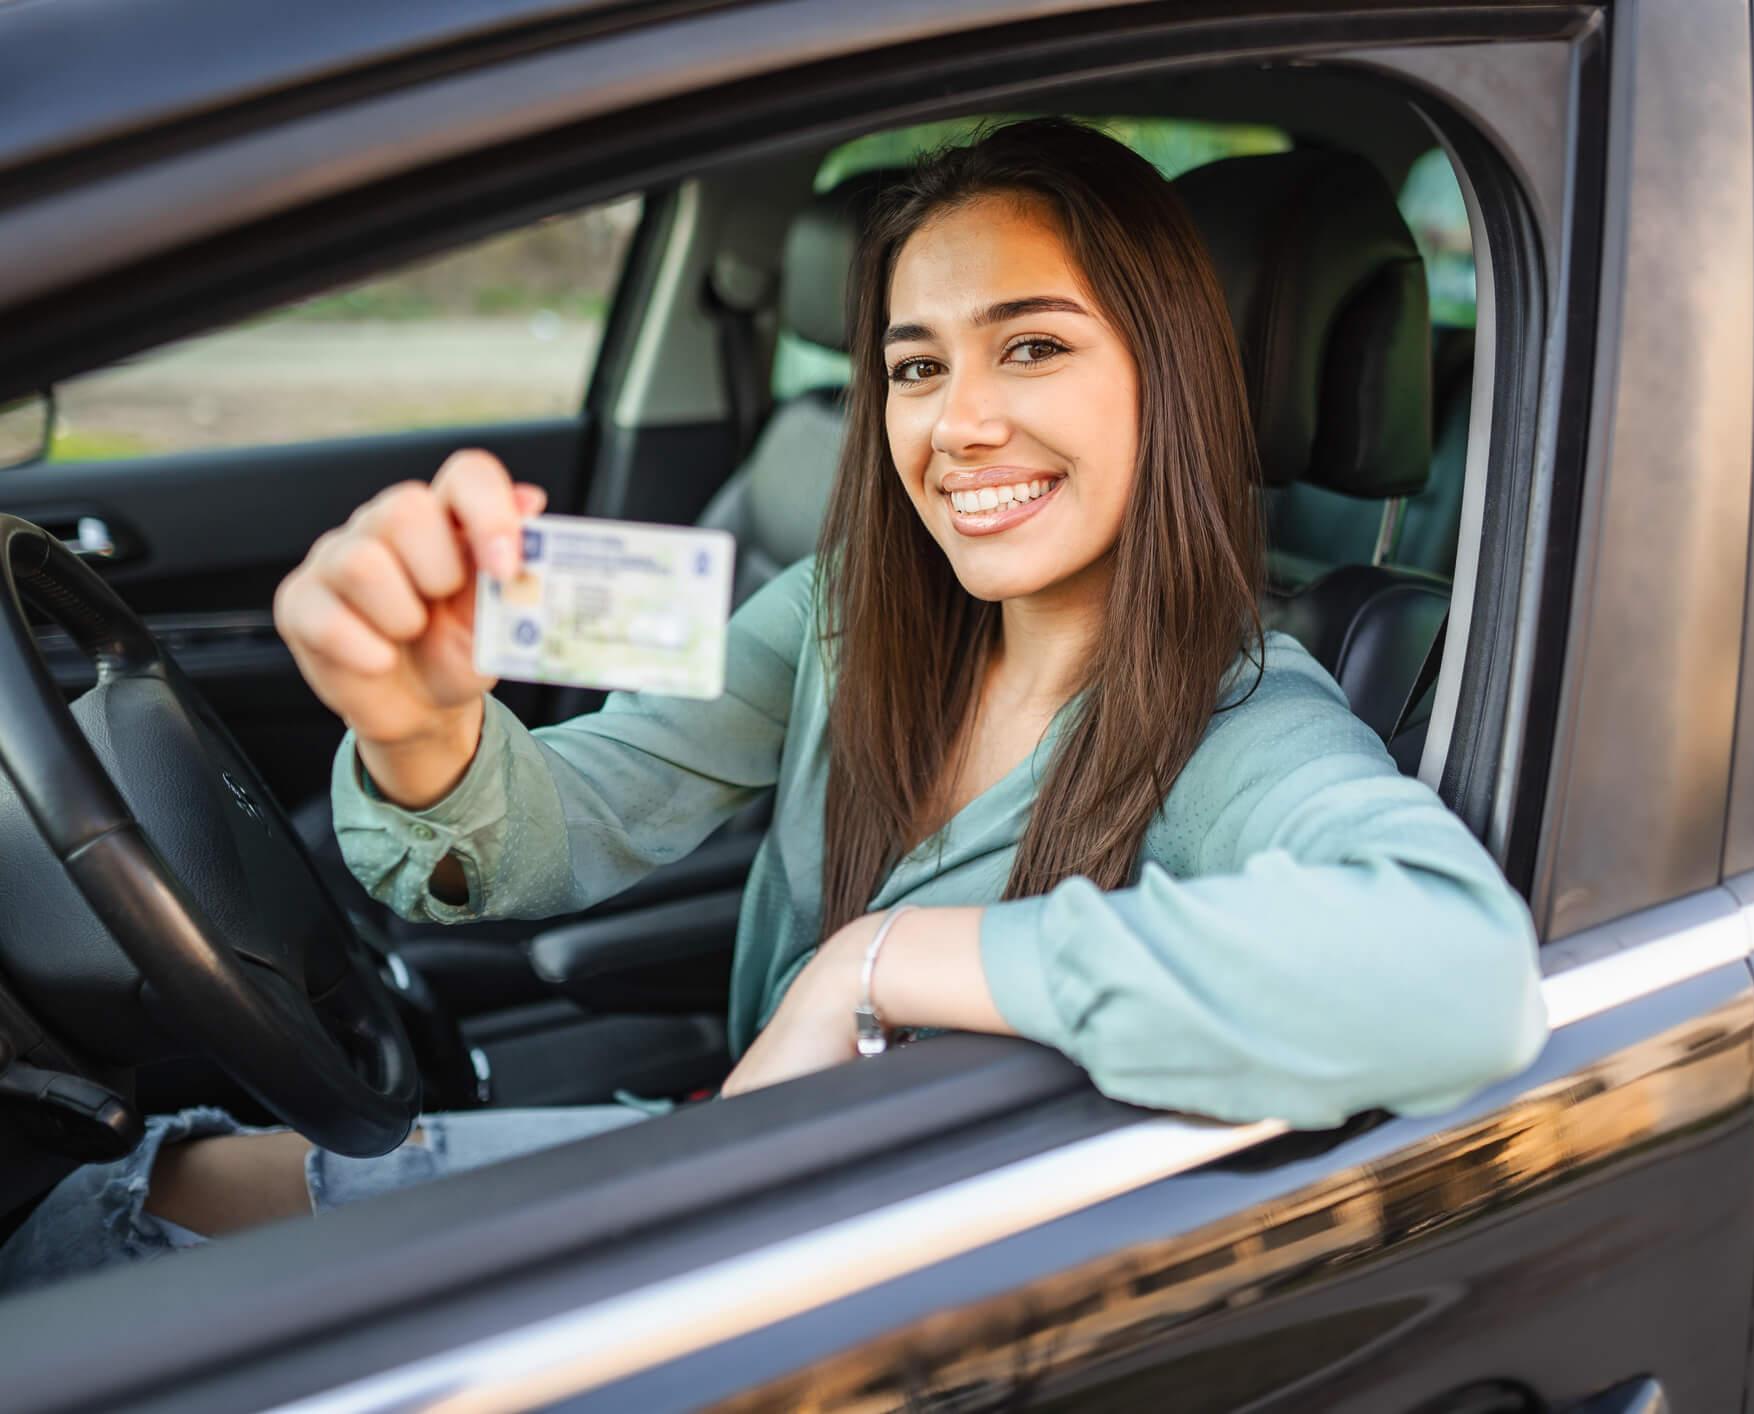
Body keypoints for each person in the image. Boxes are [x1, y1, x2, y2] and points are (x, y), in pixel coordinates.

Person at [0, 119, 1546, 1292]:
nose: (960, 422)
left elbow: (1456, 974)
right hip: (736, 1160)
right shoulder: (838, 617)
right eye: (914, 366)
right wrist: (422, 729)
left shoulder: (1244, 717)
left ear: (1177, 376)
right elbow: (566, 826)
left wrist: (880, 963)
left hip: (911, 1266)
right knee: (145, 1201)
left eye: (1034, 347)